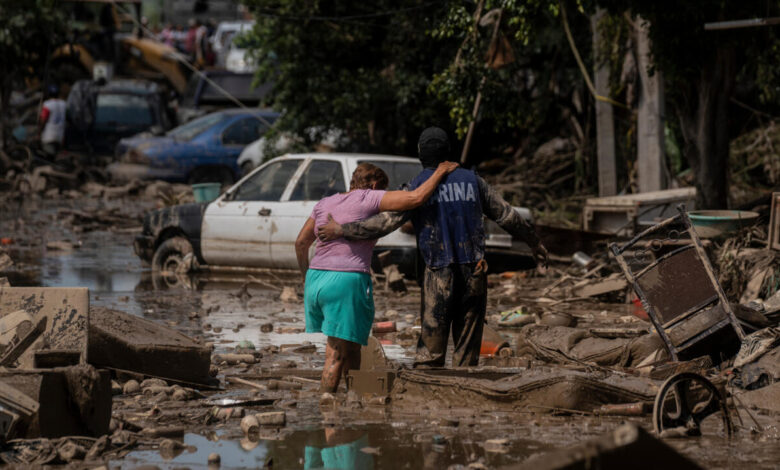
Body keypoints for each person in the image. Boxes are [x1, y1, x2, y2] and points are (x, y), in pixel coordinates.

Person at [317, 127, 548, 368]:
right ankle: (466, 386)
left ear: (421, 154)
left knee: (430, 353)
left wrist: (342, 230)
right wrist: (535, 243)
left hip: (438, 273)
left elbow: (384, 223)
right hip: (474, 270)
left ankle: (428, 388)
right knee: (467, 350)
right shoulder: (474, 181)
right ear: (447, 152)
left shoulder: (418, 186)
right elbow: (508, 216)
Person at [295, 161, 458, 392]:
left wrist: (306, 278)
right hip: (345, 281)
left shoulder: (325, 202)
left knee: (352, 345)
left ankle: (354, 397)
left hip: (316, 279)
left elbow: (301, 243)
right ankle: (326, 405)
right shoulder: (369, 198)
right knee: (336, 352)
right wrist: (440, 171)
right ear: (373, 185)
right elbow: (416, 198)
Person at [39, 85, 66, 156]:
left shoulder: (47, 104)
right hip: (60, 136)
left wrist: (39, 132)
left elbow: (43, 120)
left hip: (48, 136)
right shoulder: (64, 104)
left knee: (47, 156)